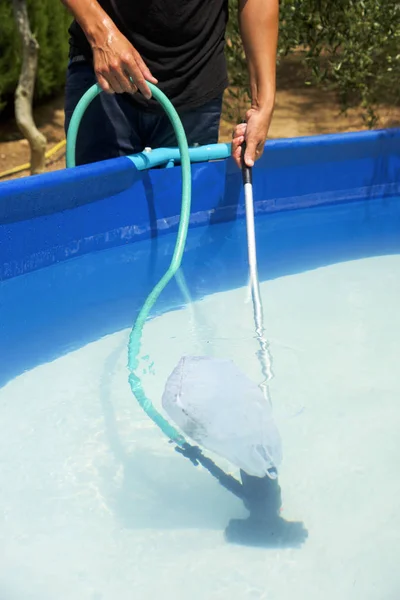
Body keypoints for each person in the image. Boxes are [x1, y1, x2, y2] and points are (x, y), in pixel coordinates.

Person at [61, 0, 279, 168]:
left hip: (195, 83)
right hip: (105, 80)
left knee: (180, 221)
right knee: (101, 219)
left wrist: (263, 104)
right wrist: (100, 32)